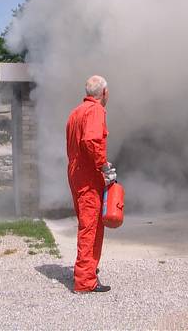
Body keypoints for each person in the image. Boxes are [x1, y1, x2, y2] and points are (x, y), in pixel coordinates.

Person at [66, 75, 117, 292]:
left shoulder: (75, 113)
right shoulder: (96, 111)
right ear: (104, 93)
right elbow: (91, 140)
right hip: (88, 178)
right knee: (91, 227)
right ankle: (85, 281)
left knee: (89, 224)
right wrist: (103, 165)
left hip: (76, 175)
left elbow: (80, 144)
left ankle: (89, 268)